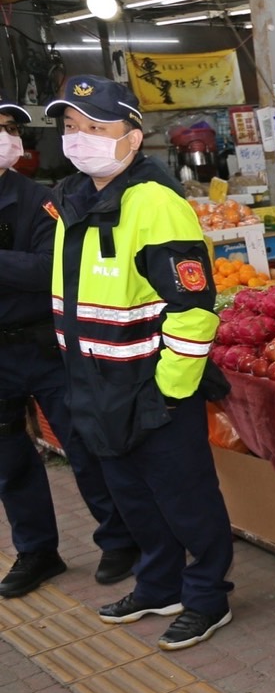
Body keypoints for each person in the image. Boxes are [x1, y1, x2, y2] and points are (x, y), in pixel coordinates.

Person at [47, 76, 234, 649]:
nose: (79, 139)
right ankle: (159, 584)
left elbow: (195, 311)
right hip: (95, 384)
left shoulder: (157, 205)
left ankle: (206, 596)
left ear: (131, 139)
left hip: (151, 387)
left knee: (185, 499)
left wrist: (170, 389)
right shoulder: (75, 198)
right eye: (71, 127)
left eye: (96, 128)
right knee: (133, 498)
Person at [0, 95, 138, 598]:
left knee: (83, 446)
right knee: (9, 460)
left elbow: (47, 269)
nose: (6, 136)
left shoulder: (39, 200)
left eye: (9, 127)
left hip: (44, 346)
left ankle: (120, 538)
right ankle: (37, 551)